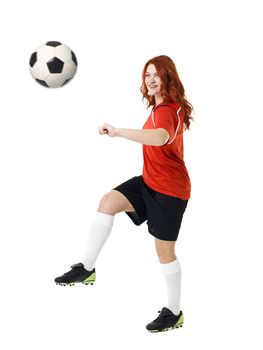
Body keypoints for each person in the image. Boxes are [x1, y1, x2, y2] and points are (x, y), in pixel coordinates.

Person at [55, 55, 193, 333]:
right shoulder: (157, 108)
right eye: (147, 75)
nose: (151, 80)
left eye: (157, 75)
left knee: (164, 252)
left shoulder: (169, 110)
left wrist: (118, 132)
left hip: (171, 190)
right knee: (108, 202)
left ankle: (174, 313)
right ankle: (86, 267)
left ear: (168, 78)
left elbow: (160, 137)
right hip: (149, 181)